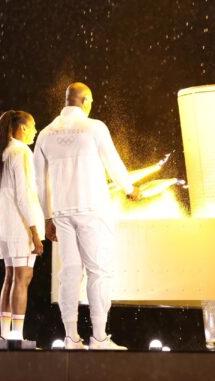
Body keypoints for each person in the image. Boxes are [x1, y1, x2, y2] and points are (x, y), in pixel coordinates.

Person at [34, 82, 141, 350]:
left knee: (69, 273)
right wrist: (129, 188)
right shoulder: (94, 127)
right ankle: (100, 337)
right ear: (86, 101)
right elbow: (112, 162)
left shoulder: (46, 134)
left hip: (62, 212)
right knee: (99, 272)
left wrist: (47, 217)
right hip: (92, 209)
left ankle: (71, 338)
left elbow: (38, 180)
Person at [0, 110, 44, 340]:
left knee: (11, 276)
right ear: (22, 128)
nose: (35, 131)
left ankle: (5, 334)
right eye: (33, 127)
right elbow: (23, 195)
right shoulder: (21, 151)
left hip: (4, 224)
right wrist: (34, 231)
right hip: (20, 225)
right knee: (22, 277)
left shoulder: (3, 151)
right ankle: (17, 335)